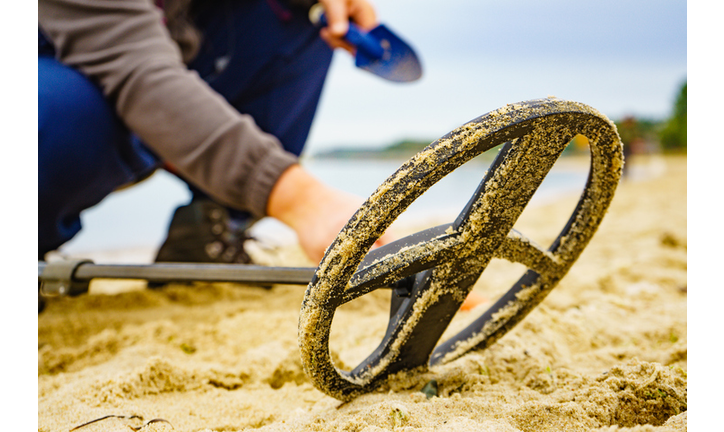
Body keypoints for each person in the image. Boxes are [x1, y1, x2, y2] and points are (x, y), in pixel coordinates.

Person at [38, 0, 390, 265]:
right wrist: (303, 201)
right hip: (69, 80)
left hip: (170, 54)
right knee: (52, 109)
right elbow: (135, 70)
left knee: (297, 10)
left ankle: (213, 229)